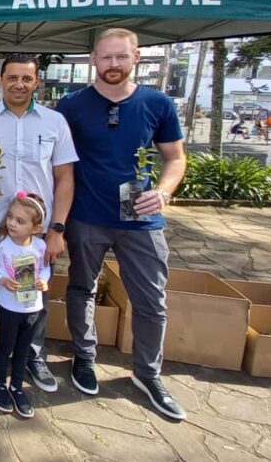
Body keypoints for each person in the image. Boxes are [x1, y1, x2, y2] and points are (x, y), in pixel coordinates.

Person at [55, 28, 188, 421]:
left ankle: (148, 374)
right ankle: (84, 357)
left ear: (136, 58)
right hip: (87, 215)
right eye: (106, 57)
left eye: (121, 57)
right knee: (81, 288)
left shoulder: (157, 103)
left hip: (140, 216)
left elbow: (175, 159)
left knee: (150, 300)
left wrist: (163, 193)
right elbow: (58, 163)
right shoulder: (72, 105)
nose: (113, 64)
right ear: (93, 59)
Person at [0, 54, 77, 393]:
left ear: (37, 81)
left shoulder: (55, 122)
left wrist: (57, 229)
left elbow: (65, 178)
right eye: (13, 78)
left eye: (26, 78)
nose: (19, 84)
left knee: (33, 291)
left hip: (37, 230)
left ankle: (34, 357)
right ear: (1, 79)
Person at [0, 192, 51, 419]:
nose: (12, 223)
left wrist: (44, 280)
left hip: (32, 309)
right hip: (8, 308)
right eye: (10, 217)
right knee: (5, 346)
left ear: (35, 228)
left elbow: (46, 268)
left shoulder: (39, 246)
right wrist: (1, 280)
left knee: (23, 350)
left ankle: (17, 387)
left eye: (20, 221)